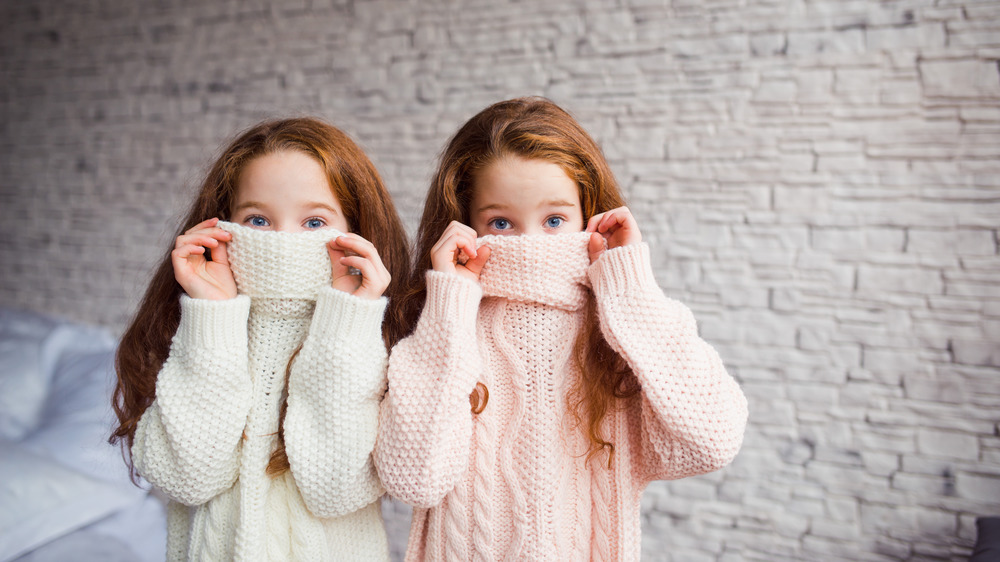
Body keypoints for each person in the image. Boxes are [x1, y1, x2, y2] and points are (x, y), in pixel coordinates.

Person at [375, 97, 748, 561]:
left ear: (588, 213)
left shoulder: (615, 330)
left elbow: (713, 440)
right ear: (464, 222)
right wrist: (449, 309)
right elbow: (413, 479)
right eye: (501, 222)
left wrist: (630, 290)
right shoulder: (444, 325)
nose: (531, 243)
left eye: (554, 220)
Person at [110, 117, 409, 561]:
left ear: (356, 229)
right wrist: (212, 314)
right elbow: (186, 476)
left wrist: (345, 322)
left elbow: (338, 489)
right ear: (220, 227)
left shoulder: (374, 336)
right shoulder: (195, 325)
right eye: (258, 219)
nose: (284, 240)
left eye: (313, 222)